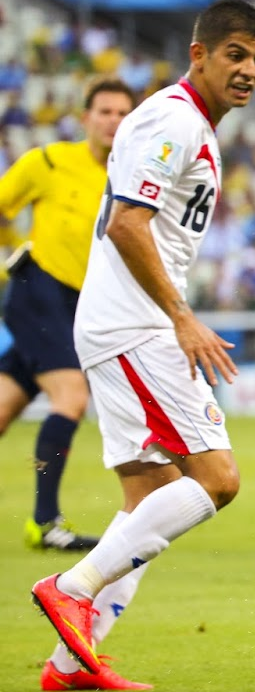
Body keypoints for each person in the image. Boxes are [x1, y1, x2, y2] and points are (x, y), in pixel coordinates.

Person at [29, 0, 255, 691]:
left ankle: (73, 658)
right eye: (234, 54)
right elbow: (128, 226)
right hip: (137, 326)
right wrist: (182, 316)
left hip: (121, 323)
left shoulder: (192, 124)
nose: (248, 70)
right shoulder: (171, 119)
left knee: (150, 498)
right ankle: (73, 584)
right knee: (216, 479)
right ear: (199, 54)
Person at [0, 78, 135, 551]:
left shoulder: (130, 179)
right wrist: (9, 257)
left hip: (83, 305)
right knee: (72, 396)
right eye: (104, 111)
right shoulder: (49, 161)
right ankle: (44, 522)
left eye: (122, 113)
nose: (113, 121)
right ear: (86, 118)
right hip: (38, 289)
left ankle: (44, 522)